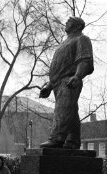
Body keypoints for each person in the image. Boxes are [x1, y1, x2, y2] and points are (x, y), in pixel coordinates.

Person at [39, 16, 94, 149]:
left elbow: (85, 60)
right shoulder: (64, 43)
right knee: (71, 111)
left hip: (69, 81)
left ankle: (57, 137)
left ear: (77, 26)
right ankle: (72, 140)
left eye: (69, 21)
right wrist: (50, 85)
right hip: (58, 83)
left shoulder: (81, 39)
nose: (66, 22)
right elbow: (60, 68)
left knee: (63, 109)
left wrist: (77, 76)